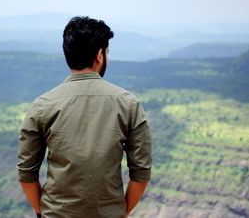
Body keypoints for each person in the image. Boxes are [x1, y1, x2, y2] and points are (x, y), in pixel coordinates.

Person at [17, 16, 152, 218]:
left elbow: (27, 174)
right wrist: (120, 212)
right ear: (100, 55)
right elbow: (141, 174)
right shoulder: (129, 105)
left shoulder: (41, 107)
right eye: (107, 52)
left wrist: (42, 212)